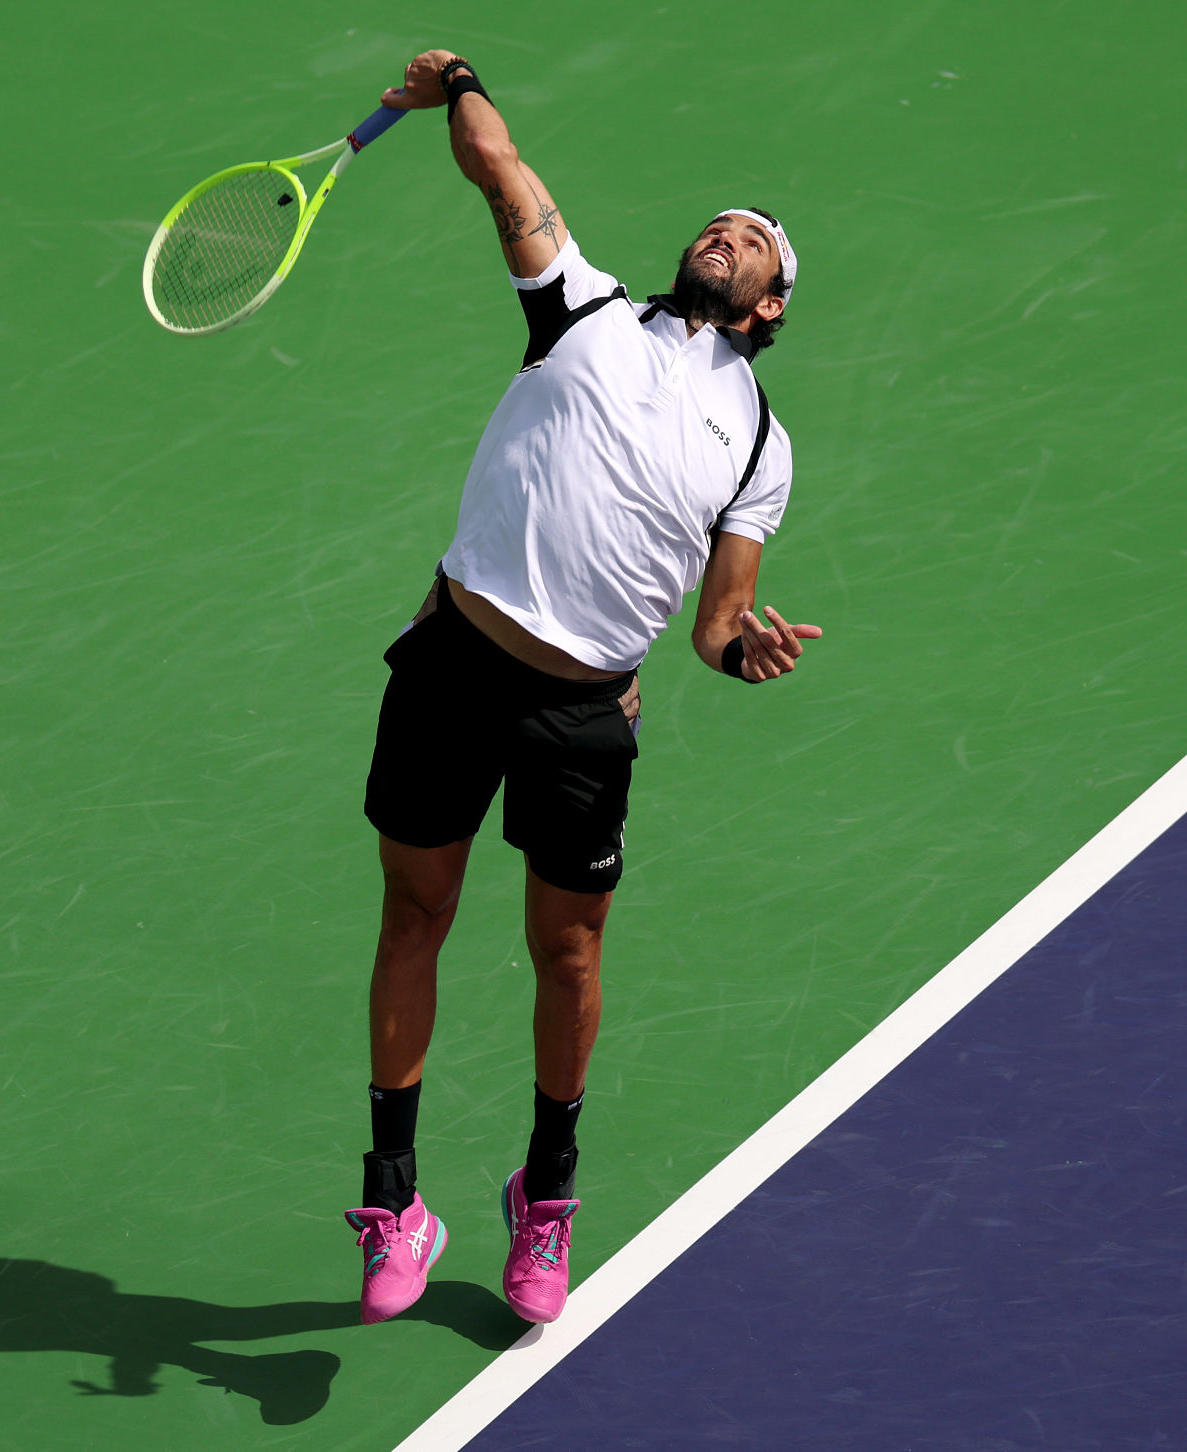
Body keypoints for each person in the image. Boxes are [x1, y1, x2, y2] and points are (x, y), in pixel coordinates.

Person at [340, 49, 823, 1328]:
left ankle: (542, 1193)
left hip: (578, 714)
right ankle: (394, 1197)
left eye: (753, 244)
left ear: (771, 304)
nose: (727, 237)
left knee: (565, 951)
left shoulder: (760, 448)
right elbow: (502, 177)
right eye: (718, 226)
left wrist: (740, 654)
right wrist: (460, 84)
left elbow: (714, 623)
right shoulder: (585, 310)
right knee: (412, 912)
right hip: (452, 662)